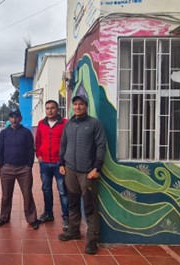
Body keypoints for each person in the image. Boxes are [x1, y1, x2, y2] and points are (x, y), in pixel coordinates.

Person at [58, 95, 106, 255]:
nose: (78, 107)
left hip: (88, 172)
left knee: (89, 206)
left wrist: (96, 168)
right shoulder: (69, 124)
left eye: (81, 104)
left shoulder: (94, 124)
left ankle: (92, 240)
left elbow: (101, 146)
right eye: (76, 104)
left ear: (86, 106)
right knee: (72, 203)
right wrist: (61, 164)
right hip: (70, 170)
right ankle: (73, 231)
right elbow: (63, 144)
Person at [0, 110, 40, 229]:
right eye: (12, 117)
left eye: (17, 117)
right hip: (7, 168)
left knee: (27, 194)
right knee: (6, 195)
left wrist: (29, 165)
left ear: (20, 119)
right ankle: (4, 217)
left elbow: (31, 150)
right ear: (9, 119)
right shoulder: (4, 133)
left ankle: (32, 218)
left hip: (23, 169)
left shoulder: (26, 133)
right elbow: (0, 150)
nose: (14, 120)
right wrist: (1, 165)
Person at [35, 100, 69, 230]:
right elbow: (37, 141)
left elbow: (68, 143)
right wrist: (39, 155)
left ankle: (66, 217)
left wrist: (64, 161)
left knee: (63, 191)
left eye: (53, 108)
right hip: (45, 164)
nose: (50, 110)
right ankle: (48, 213)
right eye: (47, 108)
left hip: (59, 163)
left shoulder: (65, 124)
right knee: (46, 189)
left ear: (58, 109)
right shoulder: (41, 124)